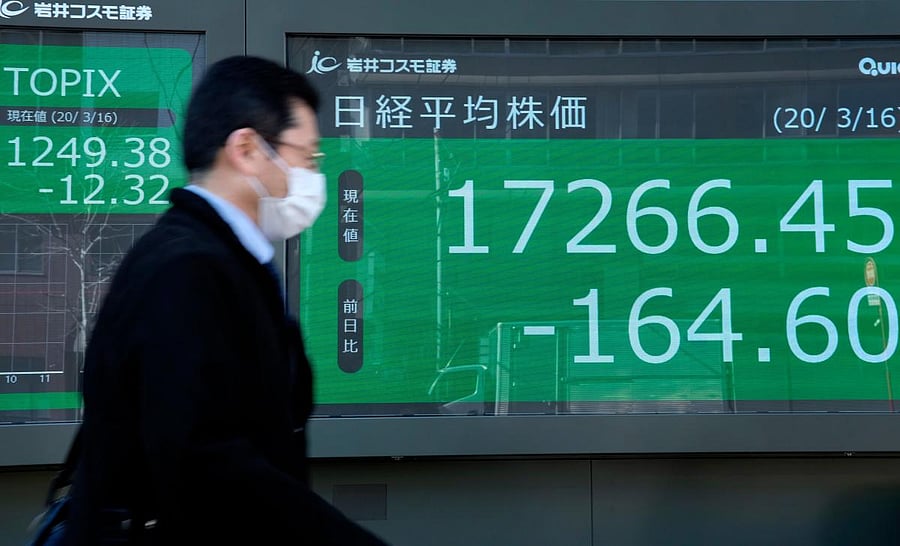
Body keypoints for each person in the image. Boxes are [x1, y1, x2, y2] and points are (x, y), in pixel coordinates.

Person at [64, 56, 391, 545]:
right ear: (245, 149)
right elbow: (206, 462)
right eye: (307, 157)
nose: (311, 176)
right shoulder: (187, 269)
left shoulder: (225, 257)